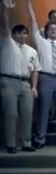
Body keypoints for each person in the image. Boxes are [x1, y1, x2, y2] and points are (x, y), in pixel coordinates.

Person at [27, 0, 56, 149]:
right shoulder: (41, 42)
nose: (53, 30)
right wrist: (29, 6)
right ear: (46, 31)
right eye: (50, 29)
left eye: (55, 29)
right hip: (45, 78)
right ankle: (40, 140)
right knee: (43, 110)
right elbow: (33, 23)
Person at [0, 5, 39, 153]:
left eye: (25, 33)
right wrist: (6, 9)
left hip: (25, 83)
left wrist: (34, 86)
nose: (23, 36)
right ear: (14, 34)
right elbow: (4, 24)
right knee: (11, 114)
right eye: (20, 33)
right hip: (8, 81)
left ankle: (27, 142)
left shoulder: (32, 51)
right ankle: (11, 144)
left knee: (27, 113)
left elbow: (36, 70)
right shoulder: (7, 43)